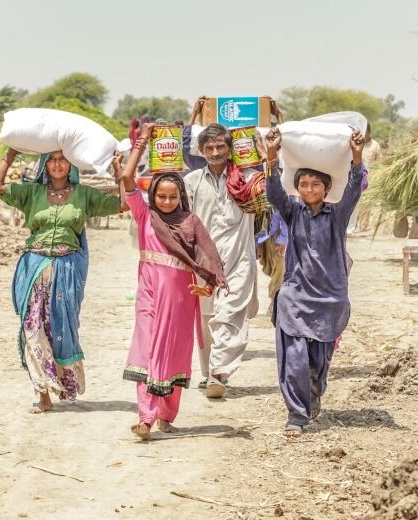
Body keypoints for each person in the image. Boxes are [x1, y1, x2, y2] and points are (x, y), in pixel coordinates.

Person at [0, 148, 125, 413]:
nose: (57, 164)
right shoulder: (31, 193)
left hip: (66, 271)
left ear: (72, 164)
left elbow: (123, 204)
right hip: (34, 269)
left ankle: (63, 382)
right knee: (33, 328)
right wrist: (10, 154)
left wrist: (119, 172)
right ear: (44, 165)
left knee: (61, 327)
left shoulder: (84, 195)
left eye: (62, 159)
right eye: (51, 159)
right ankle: (43, 395)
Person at [116, 123, 228, 440]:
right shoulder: (144, 215)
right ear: (153, 196)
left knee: (174, 352)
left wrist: (206, 286)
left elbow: (207, 257)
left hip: (182, 295)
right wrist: (142, 141)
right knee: (147, 350)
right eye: (161, 196)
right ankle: (145, 417)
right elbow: (126, 179)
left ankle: (167, 415)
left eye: (172, 197)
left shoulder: (189, 222)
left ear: (181, 197)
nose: (166, 202)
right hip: (149, 296)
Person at [264, 126, 366, 437]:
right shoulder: (292, 212)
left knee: (319, 361)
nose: (309, 189)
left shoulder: (337, 215)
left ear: (325, 188)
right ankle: (296, 414)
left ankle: (313, 393)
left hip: (329, 296)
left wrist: (357, 155)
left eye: (315, 184)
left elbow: (353, 189)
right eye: (304, 184)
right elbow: (274, 194)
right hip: (295, 295)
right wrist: (272, 157)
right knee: (293, 357)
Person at [183, 124, 262, 398]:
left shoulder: (250, 180)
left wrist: (269, 153)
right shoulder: (192, 181)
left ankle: (218, 372)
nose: (215, 152)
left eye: (220, 146)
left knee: (228, 314)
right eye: (209, 148)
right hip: (204, 262)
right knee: (207, 319)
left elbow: (272, 193)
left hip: (239, 258)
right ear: (202, 151)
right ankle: (210, 374)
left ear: (230, 149)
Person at [346, 123, 378, 235]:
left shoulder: (375, 145)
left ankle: (363, 226)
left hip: (369, 177)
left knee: (365, 204)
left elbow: (379, 161)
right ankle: (351, 227)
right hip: (355, 175)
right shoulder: (354, 143)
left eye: (366, 131)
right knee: (353, 202)